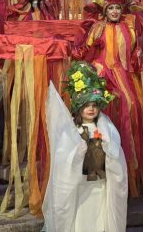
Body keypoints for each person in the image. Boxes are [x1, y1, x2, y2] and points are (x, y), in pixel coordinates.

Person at [84, 0, 143, 197]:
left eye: (117, 8)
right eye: (110, 8)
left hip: (126, 76)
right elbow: (88, 52)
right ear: (105, 11)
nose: (114, 12)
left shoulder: (129, 28)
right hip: (103, 75)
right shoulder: (97, 28)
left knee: (134, 107)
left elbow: (134, 55)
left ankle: (131, 170)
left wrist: (139, 62)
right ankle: (103, 171)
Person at [42, 65, 127, 232]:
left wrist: (107, 146)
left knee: (99, 218)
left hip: (100, 184)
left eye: (94, 104)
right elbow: (62, 159)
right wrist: (77, 152)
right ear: (78, 106)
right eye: (86, 105)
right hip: (81, 186)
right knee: (81, 220)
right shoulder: (72, 130)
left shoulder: (106, 126)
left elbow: (116, 152)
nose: (91, 109)